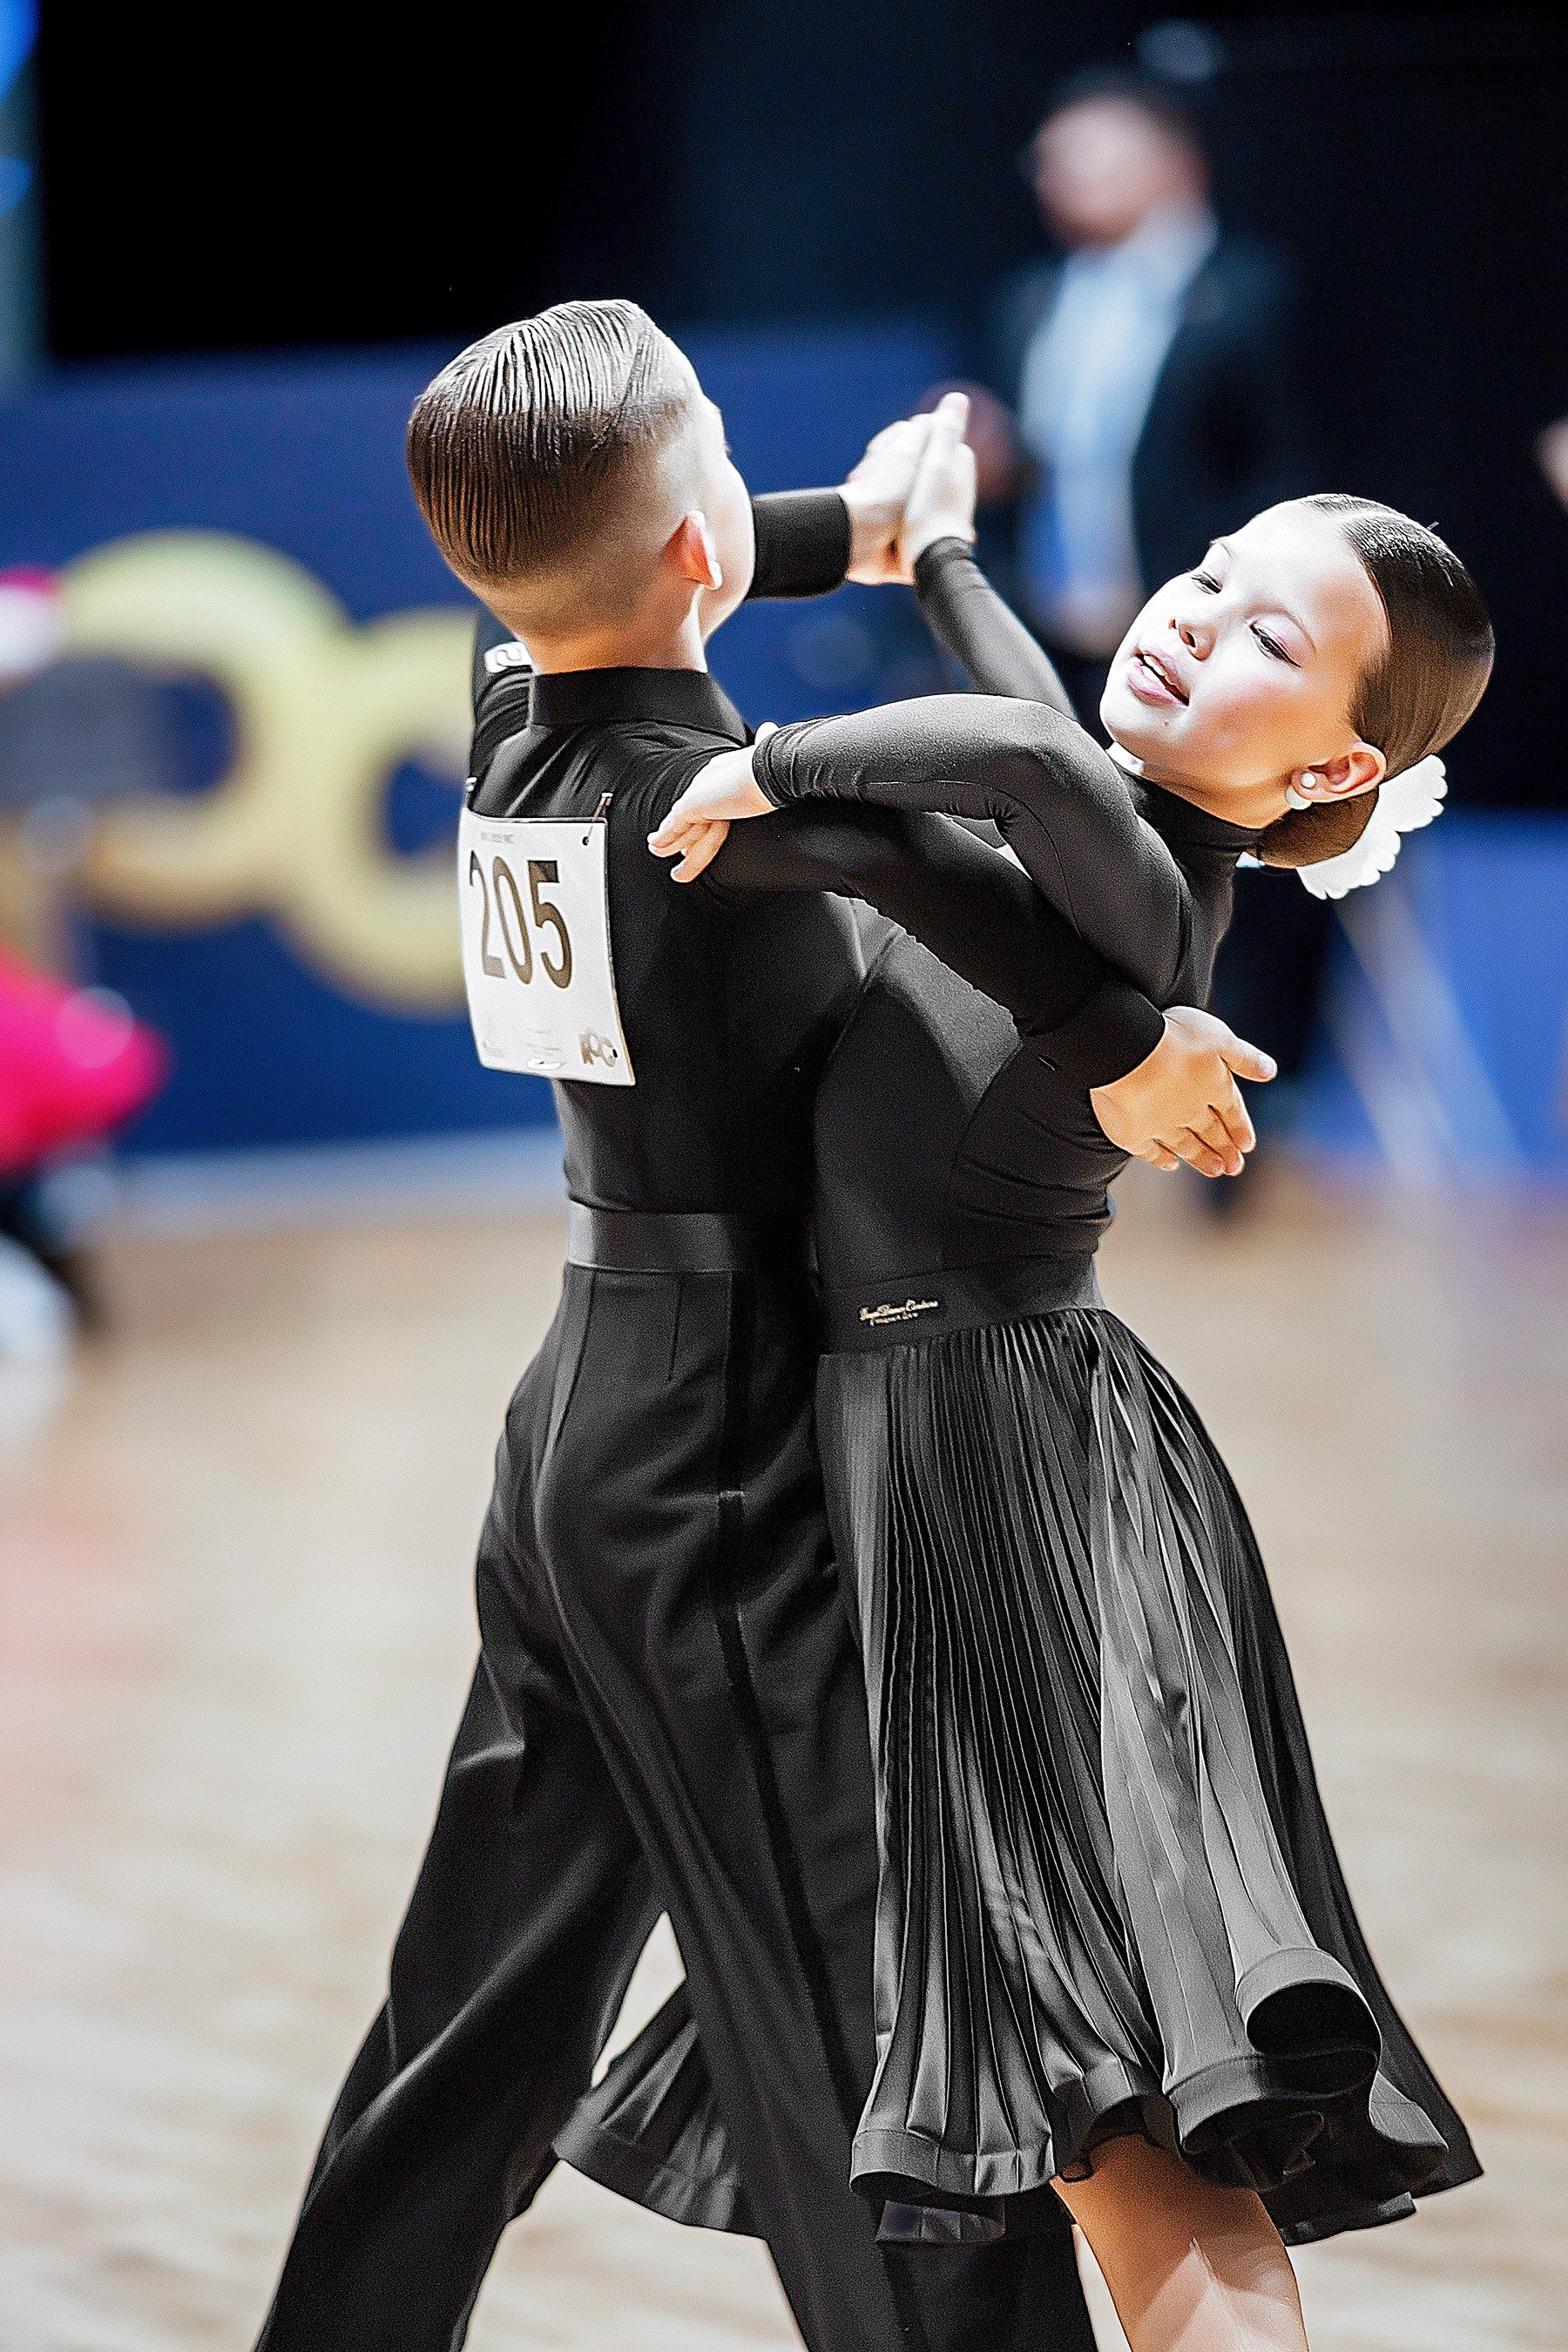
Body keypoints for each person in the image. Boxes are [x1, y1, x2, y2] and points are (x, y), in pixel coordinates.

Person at [252, 308, 1272, 2352]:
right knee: (877, 2037)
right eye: (725, 463)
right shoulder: (716, 809)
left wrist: (850, 528)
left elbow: (629, 562)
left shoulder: (508, 692)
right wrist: (1127, 1044)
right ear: (693, 550)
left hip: (578, 1424)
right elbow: (983, 853)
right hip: (725, 1456)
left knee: (471, 2022)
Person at [648, 398, 1491, 2350]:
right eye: (1206, 576)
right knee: (1087, 2088)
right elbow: (1030, 726)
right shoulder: (1121, 858)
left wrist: (752, 768)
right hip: (971, 1435)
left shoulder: (1141, 881)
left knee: (1111, 2107)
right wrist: (941, 553)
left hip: (992, 1468)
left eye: (1268, 635)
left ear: (1334, 768)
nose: (1194, 616)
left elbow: (1016, 755)